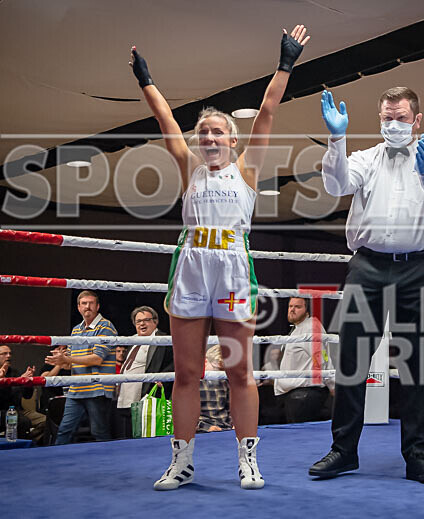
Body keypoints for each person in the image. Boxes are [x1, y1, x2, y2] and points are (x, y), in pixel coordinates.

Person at [130, 24, 310, 491]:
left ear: (232, 140)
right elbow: (166, 120)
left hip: (232, 268)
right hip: (191, 266)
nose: (209, 137)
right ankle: (181, 461)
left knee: (239, 370)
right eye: (203, 132)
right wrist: (146, 80)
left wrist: (285, 64)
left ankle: (248, 460)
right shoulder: (189, 166)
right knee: (188, 372)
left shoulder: (247, 168)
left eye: (218, 132)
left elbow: (268, 111)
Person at [310, 87, 424, 484]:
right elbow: (336, 185)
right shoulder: (364, 158)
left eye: (401, 117)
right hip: (367, 266)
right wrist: (337, 138)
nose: (393, 124)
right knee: (352, 361)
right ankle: (343, 451)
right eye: (387, 118)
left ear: (417, 120)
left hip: (419, 267)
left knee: (417, 364)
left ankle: (418, 456)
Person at [45, 290, 117, 445]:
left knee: (99, 432)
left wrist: (67, 358)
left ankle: (108, 464)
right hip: (77, 388)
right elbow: (70, 362)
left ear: (97, 306)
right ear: (78, 307)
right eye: (84, 303)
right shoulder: (76, 330)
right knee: (64, 429)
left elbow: (97, 359)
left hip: (97, 388)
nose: (87, 307)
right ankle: (55, 462)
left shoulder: (106, 327)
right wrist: (59, 361)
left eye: (91, 303)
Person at [114, 306, 172, 439]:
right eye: (138, 321)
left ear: (155, 322)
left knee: (144, 434)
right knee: (127, 434)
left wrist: (164, 378)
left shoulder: (163, 339)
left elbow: (174, 362)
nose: (142, 324)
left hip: (147, 395)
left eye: (146, 320)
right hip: (125, 395)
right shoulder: (133, 339)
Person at [274, 297, 334, 423]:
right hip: (297, 395)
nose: (292, 310)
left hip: (304, 396)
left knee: (301, 437)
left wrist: (331, 385)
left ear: (307, 311)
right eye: (290, 306)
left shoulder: (309, 328)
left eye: (297, 307)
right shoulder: (298, 329)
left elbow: (322, 358)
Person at [198, 345, 233, 432]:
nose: (219, 373)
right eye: (216, 369)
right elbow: (186, 414)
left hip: (225, 428)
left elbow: (230, 409)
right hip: (203, 429)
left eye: (222, 370)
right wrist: (206, 427)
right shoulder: (194, 382)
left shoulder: (225, 381)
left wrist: (234, 424)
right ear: (205, 362)